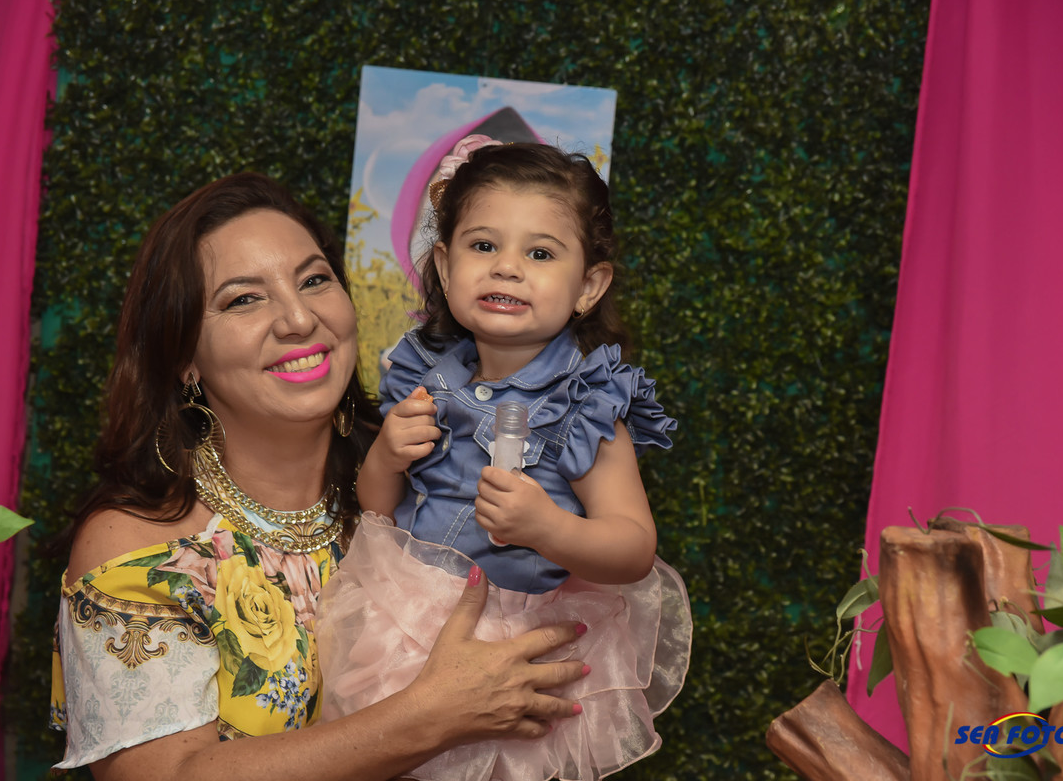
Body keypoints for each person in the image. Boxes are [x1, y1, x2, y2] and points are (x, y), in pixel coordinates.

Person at [48, 172, 589, 781]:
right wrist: (430, 716)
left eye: (314, 280)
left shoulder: (426, 477)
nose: (298, 319)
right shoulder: (141, 546)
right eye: (243, 299)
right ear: (184, 357)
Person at [318, 139, 692, 781]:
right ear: (445, 263)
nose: (507, 268)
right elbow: (377, 511)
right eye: (484, 245)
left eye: (540, 253)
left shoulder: (585, 405)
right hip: (405, 619)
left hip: (517, 644)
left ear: (589, 285)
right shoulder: (423, 377)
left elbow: (633, 548)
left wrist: (548, 528)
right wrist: (384, 457)